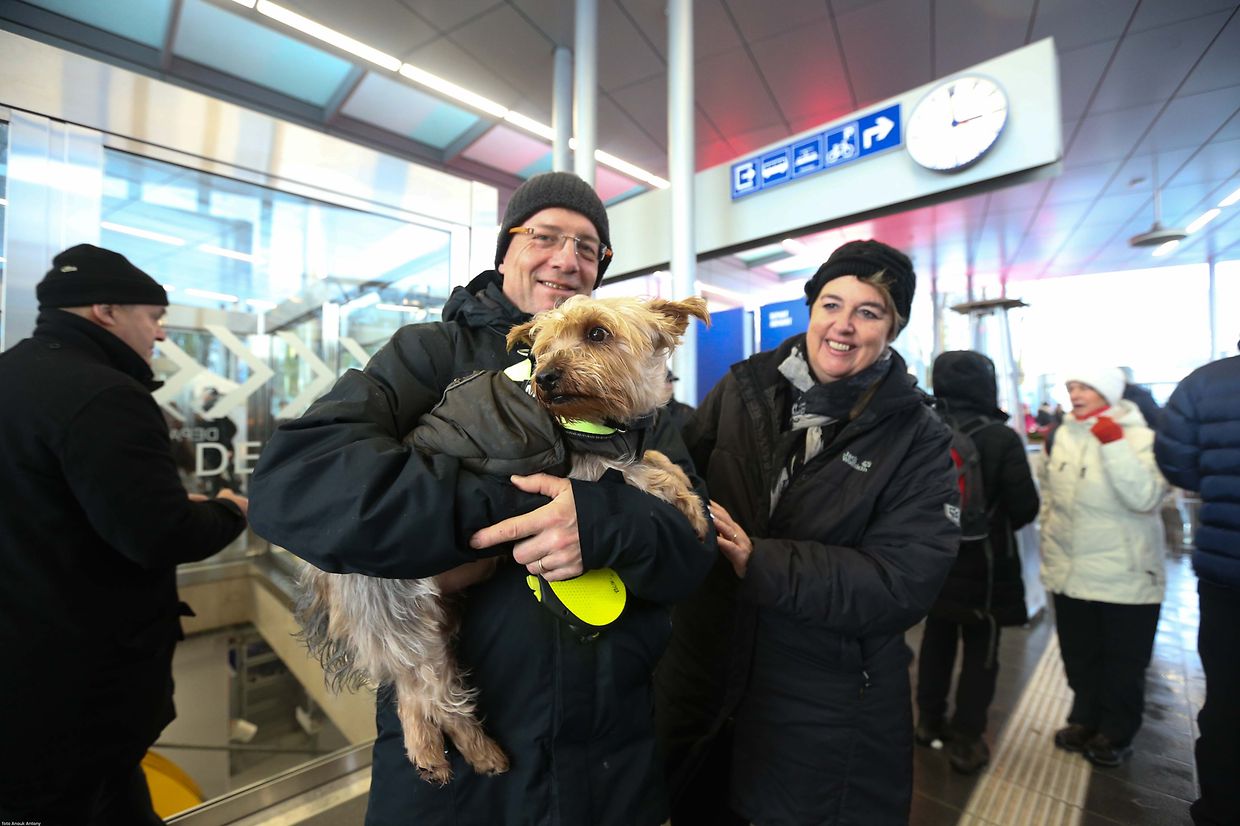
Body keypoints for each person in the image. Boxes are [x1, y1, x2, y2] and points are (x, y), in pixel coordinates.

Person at [248, 172, 714, 826]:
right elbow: (295, 485)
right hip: (457, 795)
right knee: (425, 670)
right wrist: (499, 509)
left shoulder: (637, 402)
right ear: (504, 252)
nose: (566, 257)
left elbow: (692, 556)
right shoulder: (427, 355)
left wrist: (603, 520)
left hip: (606, 758)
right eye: (545, 236)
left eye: (588, 248)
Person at [655, 240, 961, 825]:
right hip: (706, 674)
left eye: (868, 312)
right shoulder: (745, 389)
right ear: (811, 309)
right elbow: (681, 478)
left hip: (823, 703)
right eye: (831, 304)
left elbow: (903, 580)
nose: (842, 326)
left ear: (892, 329)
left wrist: (761, 562)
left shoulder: (917, 438)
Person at [0, 244, 249, 825]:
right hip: (74, 694)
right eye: (155, 318)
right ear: (106, 310)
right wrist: (229, 510)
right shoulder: (106, 395)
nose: (160, 336)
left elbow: (42, 500)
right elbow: (161, 536)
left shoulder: (12, 374)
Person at [915, 350, 1041, 774]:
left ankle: (927, 722)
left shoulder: (924, 427)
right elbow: (1026, 507)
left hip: (931, 561)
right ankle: (967, 740)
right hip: (986, 566)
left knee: (936, 639)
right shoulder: (1000, 438)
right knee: (981, 651)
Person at [1040, 366, 1167, 768]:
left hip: (1125, 574)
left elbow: (1145, 497)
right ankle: (1084, 719)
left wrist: (1113, 444)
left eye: (1085, 386)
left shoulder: (1143, 438)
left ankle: (1115, 731)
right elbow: (1050, 497)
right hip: (1070, 572)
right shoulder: (1061, 436)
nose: (1075, 393)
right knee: (1079, 654)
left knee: (1123, 661)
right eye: (1071, 385)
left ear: (1108, 392)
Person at [1154, 344, 1240, 826]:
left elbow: (1179, 466)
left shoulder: (1206, 384)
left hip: (1228, 571)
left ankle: (1221, 809)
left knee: (1228, 700)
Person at [662, 368, 696, 432]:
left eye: (671, 381)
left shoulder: (688, 413)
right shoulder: (644, 414)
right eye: (665, 381)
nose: (669, 386)